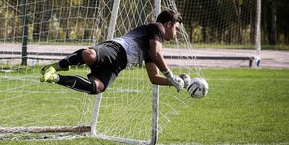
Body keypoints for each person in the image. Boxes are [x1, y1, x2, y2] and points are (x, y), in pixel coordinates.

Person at [39, 9, 186, 94]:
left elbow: (154, 77)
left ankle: (55, 77)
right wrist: (171, 76)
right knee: (89, 55)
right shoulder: (157, 27)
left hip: (118, 65)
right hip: (116, 49)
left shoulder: (151, 47)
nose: (176, 34)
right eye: (176, 29)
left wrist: (174, 82)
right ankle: (58, 65)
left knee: (96, 87)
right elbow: (156, 54)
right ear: (168, 24)